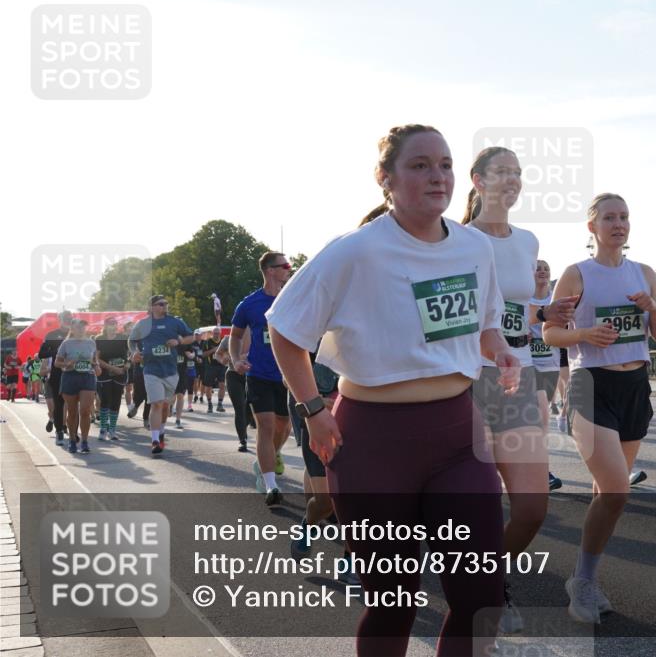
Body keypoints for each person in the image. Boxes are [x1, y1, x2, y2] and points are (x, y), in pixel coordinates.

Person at [268, 124, 511, 656]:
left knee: (480, 594)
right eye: (420, 165)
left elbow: (484, 327)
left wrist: (503, 351)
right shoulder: (355, 250)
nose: (437, 176)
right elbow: (284, 329)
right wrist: (313, 410)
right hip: (372, 442)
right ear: (386, 179)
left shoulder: (475, 247)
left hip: (457, 436)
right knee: (394, 600)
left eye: (445, 165)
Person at [544, 192, 656, 623]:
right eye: (609, 217)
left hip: (635, 385)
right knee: (617, 488)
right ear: (592, 227)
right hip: (590, 384)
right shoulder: (576, 274)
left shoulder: (645, 273)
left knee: (608, 493)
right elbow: (549, 334)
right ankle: (581, 581)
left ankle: (587, 576)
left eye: (624, 217)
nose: (619, 224)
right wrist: (584, 335)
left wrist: (652, 306)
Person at [463, 147, 576, 633]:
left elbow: (516, 311)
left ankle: (484, 573)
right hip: (468, 378)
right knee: (481, 502)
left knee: (531, 508)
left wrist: (544, 315)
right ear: (478, 180)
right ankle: (483, 592)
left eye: (517, 173)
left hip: (521, 374)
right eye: (500, 171)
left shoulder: (528, 240)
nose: (511, 180)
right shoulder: (455, 240)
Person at [231, 253, 293, 506]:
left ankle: (271, 455)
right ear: (269, 270)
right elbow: (235, 337)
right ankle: (270, 485)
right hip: (259, 373)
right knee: (266, 426)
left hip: (289, 375)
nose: (289, 269)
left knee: (284, 426)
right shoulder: (249, 304)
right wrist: (236, 360)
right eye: (285, 266)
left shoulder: (293, 298)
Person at [129, 295, 196, 455]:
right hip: (151, 370)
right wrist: (134, 352)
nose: (165, 306)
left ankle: (161, 431)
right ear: (152, 307)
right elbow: (131, 340)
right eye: (161, 304)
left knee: (165, 405)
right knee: (157, 403)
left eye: (166, 303)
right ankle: (154, 441)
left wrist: (178, 342)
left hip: (171, 370)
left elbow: (191, 336)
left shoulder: (174, 322)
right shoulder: (143, 324)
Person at [529, 259, 565, 493]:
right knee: (538, 417)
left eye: (546, 269)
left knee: (541, 420)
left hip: (549, 362)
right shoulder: (523, 298)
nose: (542, 272)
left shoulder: (556, 298)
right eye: (538, 268)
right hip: (526, 361)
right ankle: (542, 472)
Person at [55, 319, 101, 453]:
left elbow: (94, 360)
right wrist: (67, 364)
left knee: (85, 411)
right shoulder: (66, 343)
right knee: (72, 411)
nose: (81, 329)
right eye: (78, 327)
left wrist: (96, 366)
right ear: (72, 329)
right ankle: (73, 440)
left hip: (87, 377)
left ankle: (85, 441)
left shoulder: (91, 343)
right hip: (70, 377)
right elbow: (57, 363)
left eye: (83, 327)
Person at [217, 330, 252, 452]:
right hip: (233, 375)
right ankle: (242, 440)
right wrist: (224, 359)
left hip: (251, 376)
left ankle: (244, 426)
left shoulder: (255, 335)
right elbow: (218, 354)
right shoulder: (228, 338)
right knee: (240, 407)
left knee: (250, 408)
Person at [42, 311, 74, 443]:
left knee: (73, 405)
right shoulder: (52, 335)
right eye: (65, 318)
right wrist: (57, 351)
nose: (67, 320)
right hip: (57, 374)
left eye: (69, 318)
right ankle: (59, 431)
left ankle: (73, 432)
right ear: (59, 319)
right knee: (59, 404)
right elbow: (42, 353)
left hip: (74, 373)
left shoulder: (77, 334)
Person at [95, 317, 128, 441]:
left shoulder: (122, 338)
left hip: (120, 373)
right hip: (105, 374)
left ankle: (112, 429)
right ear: (105, 325)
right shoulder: (99, 339)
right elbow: (97, 358)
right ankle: (103, 429)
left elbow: (129, 355)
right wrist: (112, 368)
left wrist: (126, 366)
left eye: (114, 323)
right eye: (110, 324)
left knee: (116, 401)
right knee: (105, 401)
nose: (112, 326)